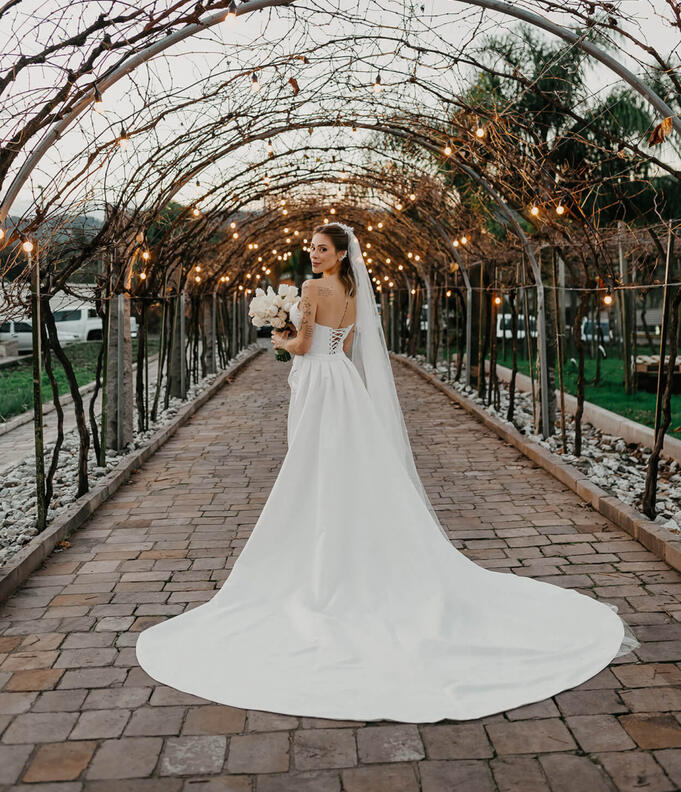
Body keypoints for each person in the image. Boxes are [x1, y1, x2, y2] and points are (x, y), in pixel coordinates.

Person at [136, 221, 639, 723]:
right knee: (345, 468)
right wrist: (295, 334)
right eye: (310, 247)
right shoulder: (353, 292)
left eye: (321, 248)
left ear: (338, 254)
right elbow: (344, 348)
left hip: (317, 383)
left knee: (312, 468)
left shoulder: (312, 288)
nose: (313, 255)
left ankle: (323, 555)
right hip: (344, 384)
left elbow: (306, 345)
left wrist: (277, 333)